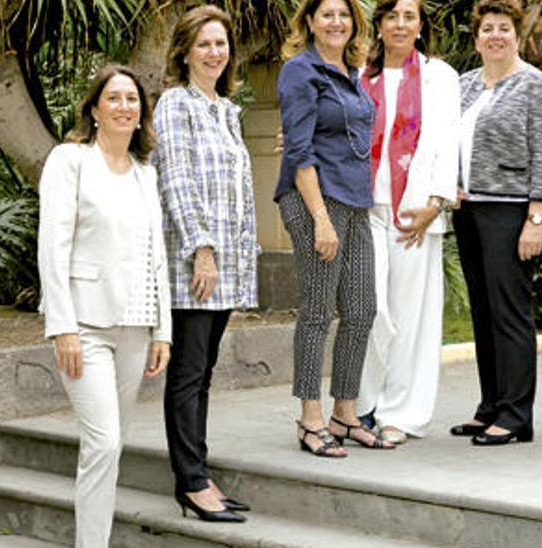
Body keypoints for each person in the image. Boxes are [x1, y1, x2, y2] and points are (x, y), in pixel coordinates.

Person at [37, 64, 172, 547]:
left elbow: (158, 257)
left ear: (141, 113)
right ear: (94, 109)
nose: (123, 107)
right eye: (112, 98)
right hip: (85, 326)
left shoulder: (145, 174)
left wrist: (164, 331)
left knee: (110, 449)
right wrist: (62, 326)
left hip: (136, 326)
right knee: (103, 443)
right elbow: (52, 245)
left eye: (131, 99)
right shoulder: (69, 160)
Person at [152, 5, 255, 523]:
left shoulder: (227, 111)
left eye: (221, 43)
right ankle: (191, 484)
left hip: (227, 267)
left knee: (204, 372)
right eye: (205, 44)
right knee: (189, 374)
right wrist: (203, 249)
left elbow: (233, 191)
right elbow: (176, 181)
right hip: (197, 264)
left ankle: (200, 474)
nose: (215, 52)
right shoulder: (176, 104)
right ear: (185, 52)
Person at [277, 0, 393, 458]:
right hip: (314, 201)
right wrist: (321, 220)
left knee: (363, 309)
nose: (336, 22)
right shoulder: (299, 71)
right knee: (318, 310)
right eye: (326, 14)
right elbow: (299, 151)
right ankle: (310, 418)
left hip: (354, 199)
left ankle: (345, 414)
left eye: (344, 15)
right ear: (309, 22)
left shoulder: (352, 73)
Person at [448, 0, 542, 446]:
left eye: (504, 29)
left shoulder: (536, 86)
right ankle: (490, 405)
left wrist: (537, 217)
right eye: (487, 29)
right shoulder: (463, 85)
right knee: (483, 311)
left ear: (517, 36)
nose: (495, 35)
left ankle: (516, 415)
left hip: (511, 211)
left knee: (510, 311)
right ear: (477, 39)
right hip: (468, 210)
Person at [354, 0, 460, 445]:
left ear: (420, 25)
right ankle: (362, 404)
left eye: (409, 16)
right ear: (379, 24)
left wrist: (436, 204)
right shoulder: (359, 72)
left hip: (415, 211)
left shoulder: (440, 76)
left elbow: (446, 142)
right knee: (370, 309)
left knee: (412, 317)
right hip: (363, 210)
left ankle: (402, 412)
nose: (400, 24)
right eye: (392, 16)